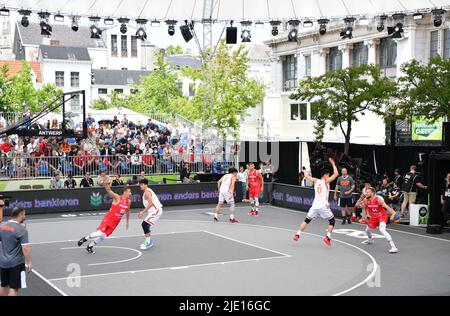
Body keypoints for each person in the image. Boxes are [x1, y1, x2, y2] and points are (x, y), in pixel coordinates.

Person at [78, 180, 131, 254]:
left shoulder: (128, 201)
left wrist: (127, 222)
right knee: (100, 233)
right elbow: (109, 191)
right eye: (129, 192)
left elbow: (128, 211)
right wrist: (105, 184)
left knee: (103, 237)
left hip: (115, 223)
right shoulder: (118, 198)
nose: (130, 193)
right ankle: (85, 238)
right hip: (108, 218)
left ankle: (90, 246)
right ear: (125, 192)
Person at [294, 158, 338, 246]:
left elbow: (306, 176)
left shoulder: (315, 180)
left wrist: (305, 170)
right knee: (332, 221)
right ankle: (327, 237)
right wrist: (333, 164)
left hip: (314, 206)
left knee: (307, 220)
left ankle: (297, 234)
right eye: (328, 175)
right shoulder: (326, 181)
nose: (329, 176)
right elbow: (336, 174)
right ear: (326, 175)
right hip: (323, 206)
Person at [0, 207, 32, 296]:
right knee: (14, 288)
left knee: (4, 285)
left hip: (3, 263)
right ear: (20, 215)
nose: (25, 216)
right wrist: (29, 262)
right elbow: (25, 248)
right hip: (16, 264)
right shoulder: (22, 230)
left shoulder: (2, 226)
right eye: (24, 214)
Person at [361, 187, 399, 254]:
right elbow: (364, 208)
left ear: (372, 193)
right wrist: (364, 217)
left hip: (382, 216)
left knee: (382, 230)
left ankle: (394, 247)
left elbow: (386, 207)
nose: (366, 193)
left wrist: (394, 213)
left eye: (368, 192)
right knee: (367, 230)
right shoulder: (365, 200)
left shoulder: (378, 200)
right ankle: (370, 240)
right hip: (373, 217)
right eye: (366, 192)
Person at [138, 179, 163, 251]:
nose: (141, 186)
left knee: (144, 224)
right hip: (153, 211)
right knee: (146, 225)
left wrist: (143, 212)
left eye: (142, 185)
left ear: (146, 185)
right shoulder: (147, 191)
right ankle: (148, 241)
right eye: (140, 185)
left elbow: (151, 203)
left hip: (156, 210)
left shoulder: (147, 191)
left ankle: (148, 242)